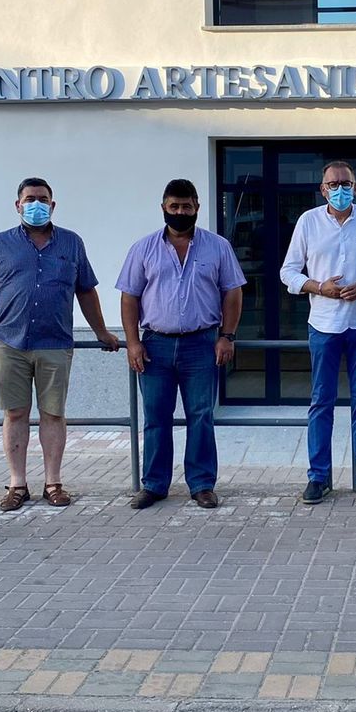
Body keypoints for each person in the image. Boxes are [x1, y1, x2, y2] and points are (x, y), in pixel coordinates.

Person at [0, 177, 120, 513]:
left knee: (53, 414)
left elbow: (86, 291)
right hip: (10, 343)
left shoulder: (71, 243)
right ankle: (17, 484)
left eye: (42, 199)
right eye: (29, 198)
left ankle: (53, 483)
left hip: (55, 342)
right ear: (17, 204)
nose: (35, 204)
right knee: (15, 413)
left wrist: (102, 333)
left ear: (52, 205)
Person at [117, 178, 246, 510]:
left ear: (197, 208)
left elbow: (232, 292)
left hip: (201, 344)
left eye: (186, 207)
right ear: (163, 208)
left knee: (201, 415)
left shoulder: (218, 247)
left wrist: (227, 336)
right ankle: (155, 485)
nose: (180, 212)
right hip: (155, 346)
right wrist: (133, 343)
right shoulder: (142, 249)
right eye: (173, 207)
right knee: (155, 417)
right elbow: (129, 297)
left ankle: (202, 484)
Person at [279, 160, 356, 505]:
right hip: (324, 325)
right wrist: (319, 287)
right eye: (332, 184)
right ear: (322, 190)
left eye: (345, 183)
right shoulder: (308, 222)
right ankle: (319, 477)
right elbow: (288, 272)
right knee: (321, 402)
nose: (339, 189)